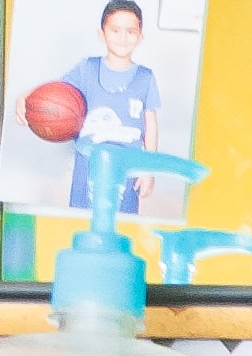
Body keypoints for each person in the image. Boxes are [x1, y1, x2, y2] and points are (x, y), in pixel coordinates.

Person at [66, 2, 163, 214]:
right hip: (88, 161)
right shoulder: (87, 68)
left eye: (130, 32)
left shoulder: (145, 77)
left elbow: (151, 126)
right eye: (115, 30)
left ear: (140, 36)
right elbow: (56, 93)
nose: (123, 37)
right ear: (102, 34)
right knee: (80, 219)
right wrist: (26, 98)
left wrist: (149, 169)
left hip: (127, 165)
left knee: (123, 222)